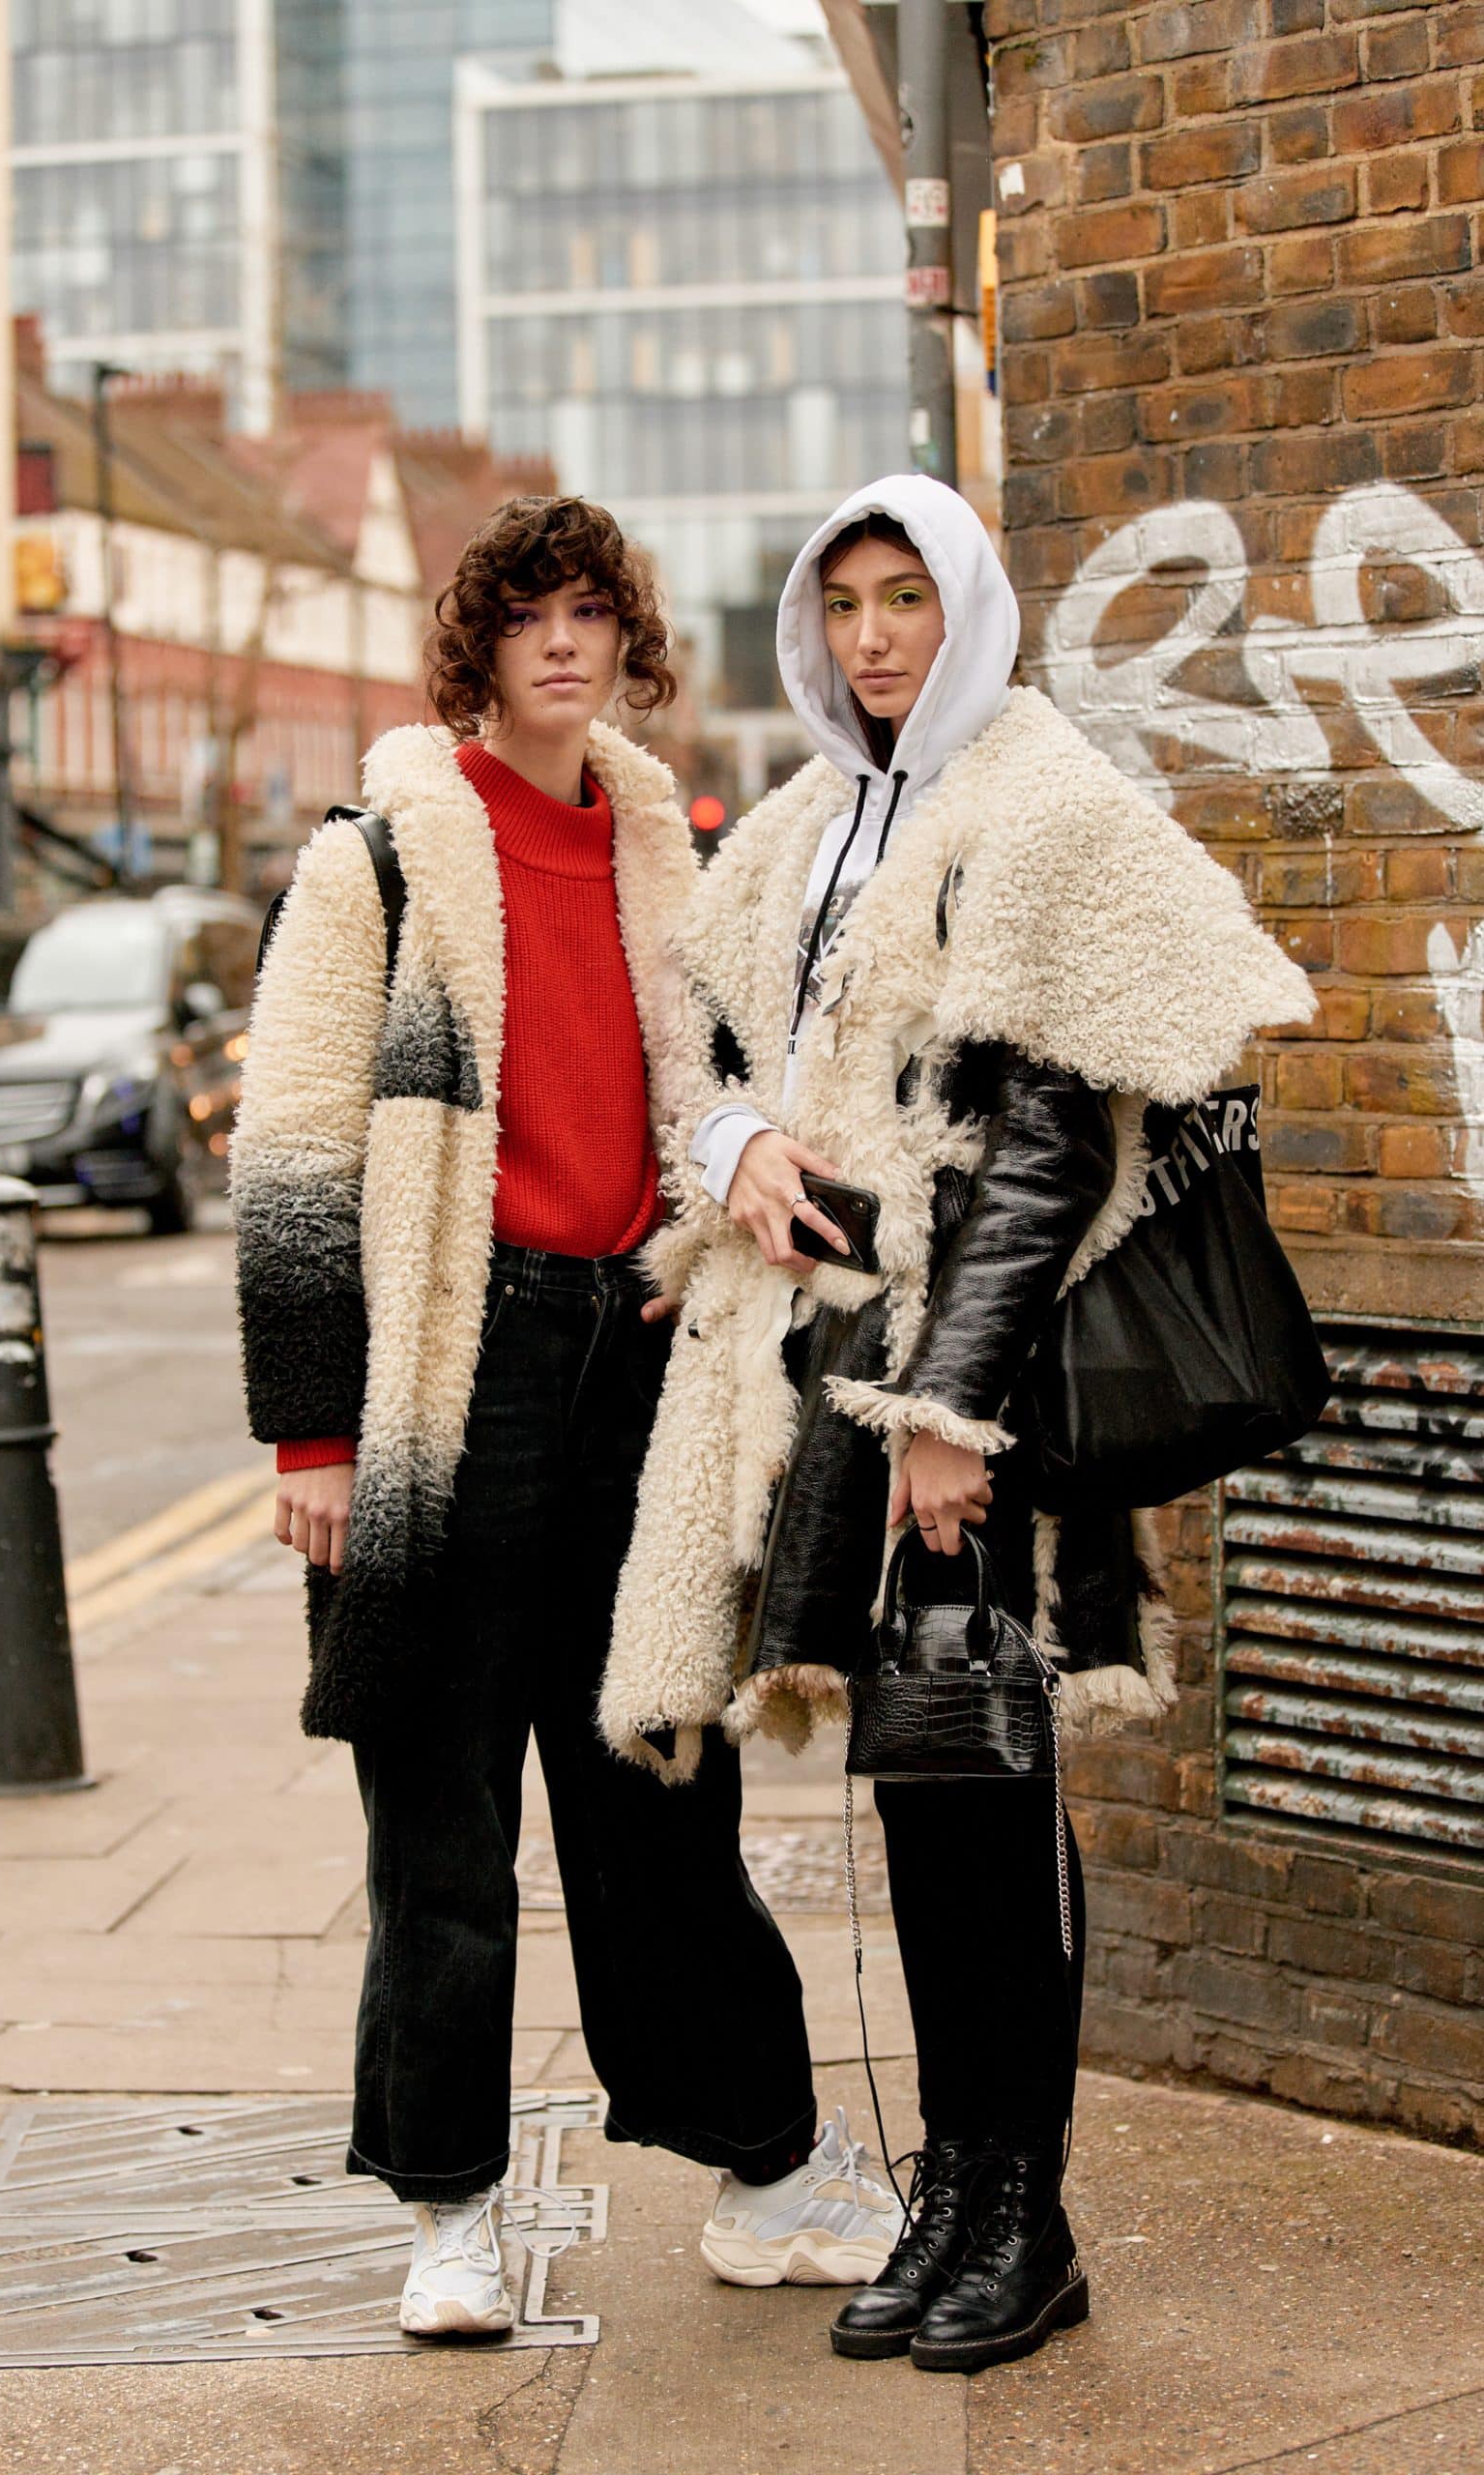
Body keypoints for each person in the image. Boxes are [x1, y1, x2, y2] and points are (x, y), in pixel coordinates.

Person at [598, 475, 1314, 2373]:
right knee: (922, 1798)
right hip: (826, 1385)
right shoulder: (803, 825)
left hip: (963, 1398)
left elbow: (1048, 1151)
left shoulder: (1035, 803)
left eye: (903, 596)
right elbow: (719, 1057)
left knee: (988, 1798)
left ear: (967, 605)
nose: (871, 637)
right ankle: (958, 2191)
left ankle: (1028, 2217)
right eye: (841, 603)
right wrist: (732, 1146)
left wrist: (949, 1416)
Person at [232, 495, 896, 2342]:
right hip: (449, 1381)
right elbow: (293, 1162)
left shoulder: (666, 852)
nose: (560, 641)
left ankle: (766, 2169)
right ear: (479, 644)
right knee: (441, 1819)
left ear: (625, 640)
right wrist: (311, 1441)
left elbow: (714, 1094)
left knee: (659, 1790)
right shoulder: (375, 862)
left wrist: (709, 1236)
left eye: (591, 612)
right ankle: (449, 2213)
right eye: (526, 612)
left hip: (631, 1360)